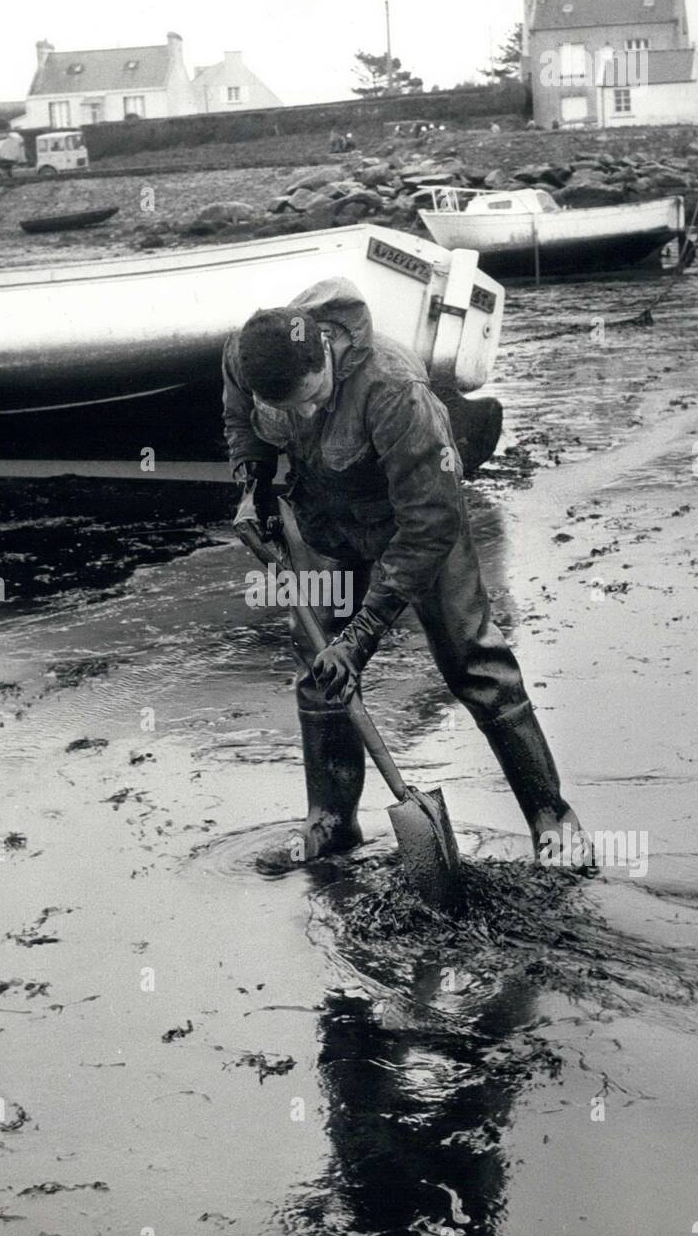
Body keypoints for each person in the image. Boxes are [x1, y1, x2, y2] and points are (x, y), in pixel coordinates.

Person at [222, 278, 593, 871]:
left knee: (475, 665)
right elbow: (241, 419)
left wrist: (364, 631)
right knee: (320, 670)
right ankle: (332, 823)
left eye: (314, 397)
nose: (308, 414)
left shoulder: (395, 390)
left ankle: (551, 819)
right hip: (329, 525)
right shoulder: (249, 358)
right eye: (290, 410)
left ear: (326, 351)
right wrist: (252, 486)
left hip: (417, 525)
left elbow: (430, 521)